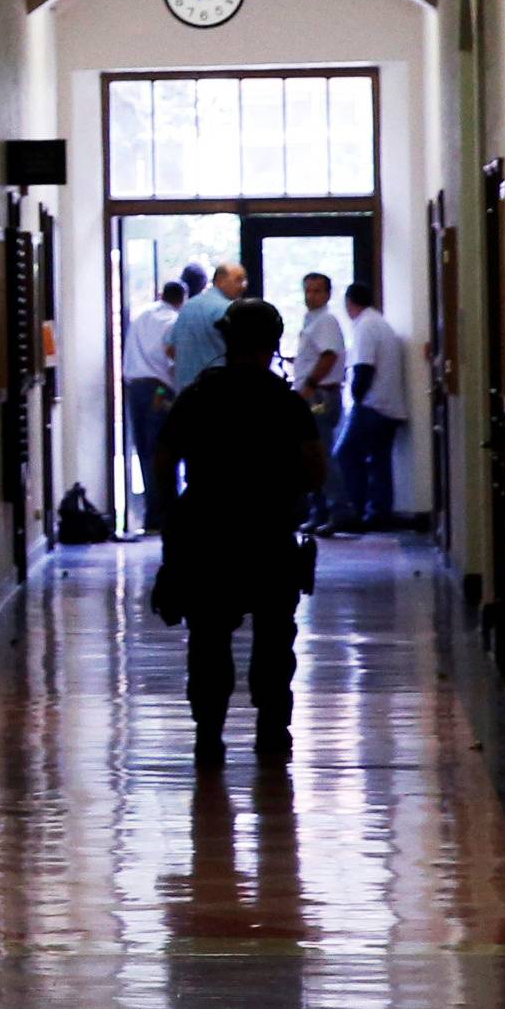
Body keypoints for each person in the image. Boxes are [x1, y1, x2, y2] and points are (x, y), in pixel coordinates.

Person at [154, 298, 326, 766]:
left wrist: (172, 516)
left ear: (225, 340)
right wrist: (286, 493)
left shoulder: (196, 396)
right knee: (274, 640)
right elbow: (315, 468)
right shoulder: (285, 402)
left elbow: (164, 460)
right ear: (273, 343)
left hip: (206, 532)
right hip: (269, 533)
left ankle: (208, 735)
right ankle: (272, 733)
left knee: (208, 639)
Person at [331, 281, 408, 531]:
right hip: (390, 405)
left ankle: (356, 508)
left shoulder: (365, 326)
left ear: (349, 304)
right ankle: (378, 512)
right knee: (379, 460)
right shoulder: (380, 323)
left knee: (344, 454)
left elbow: (363, 366)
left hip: (373, 405)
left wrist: (356, 397)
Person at [290, 271, 350, 528]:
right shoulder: (310, 320)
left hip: (319, 395)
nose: (310, 296)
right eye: (307, 290)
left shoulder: (326, 321)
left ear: (327, 294)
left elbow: (328, 356)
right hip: (311, 392)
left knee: (321, 454)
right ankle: (319, 511)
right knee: (310, 455)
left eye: (316, 291)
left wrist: (309, 385)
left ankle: (338, 510)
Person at [125, 279, 184, 532]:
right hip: (159, 389)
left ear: (161, 294)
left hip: (135, 387)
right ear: (182, 300)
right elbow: (172, 356)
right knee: (163, 450)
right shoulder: (174, 321)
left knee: (145, 452)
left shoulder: (142, 316)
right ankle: (164, 513)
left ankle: (152, 514)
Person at [168, 258, 246, 393]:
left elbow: (170, 349)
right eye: (238, 280)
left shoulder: (188, 306)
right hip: (217, 392)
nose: (243, 285)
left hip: (185, 394)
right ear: (220, 281)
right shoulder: (228, 309)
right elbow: (242, 355)